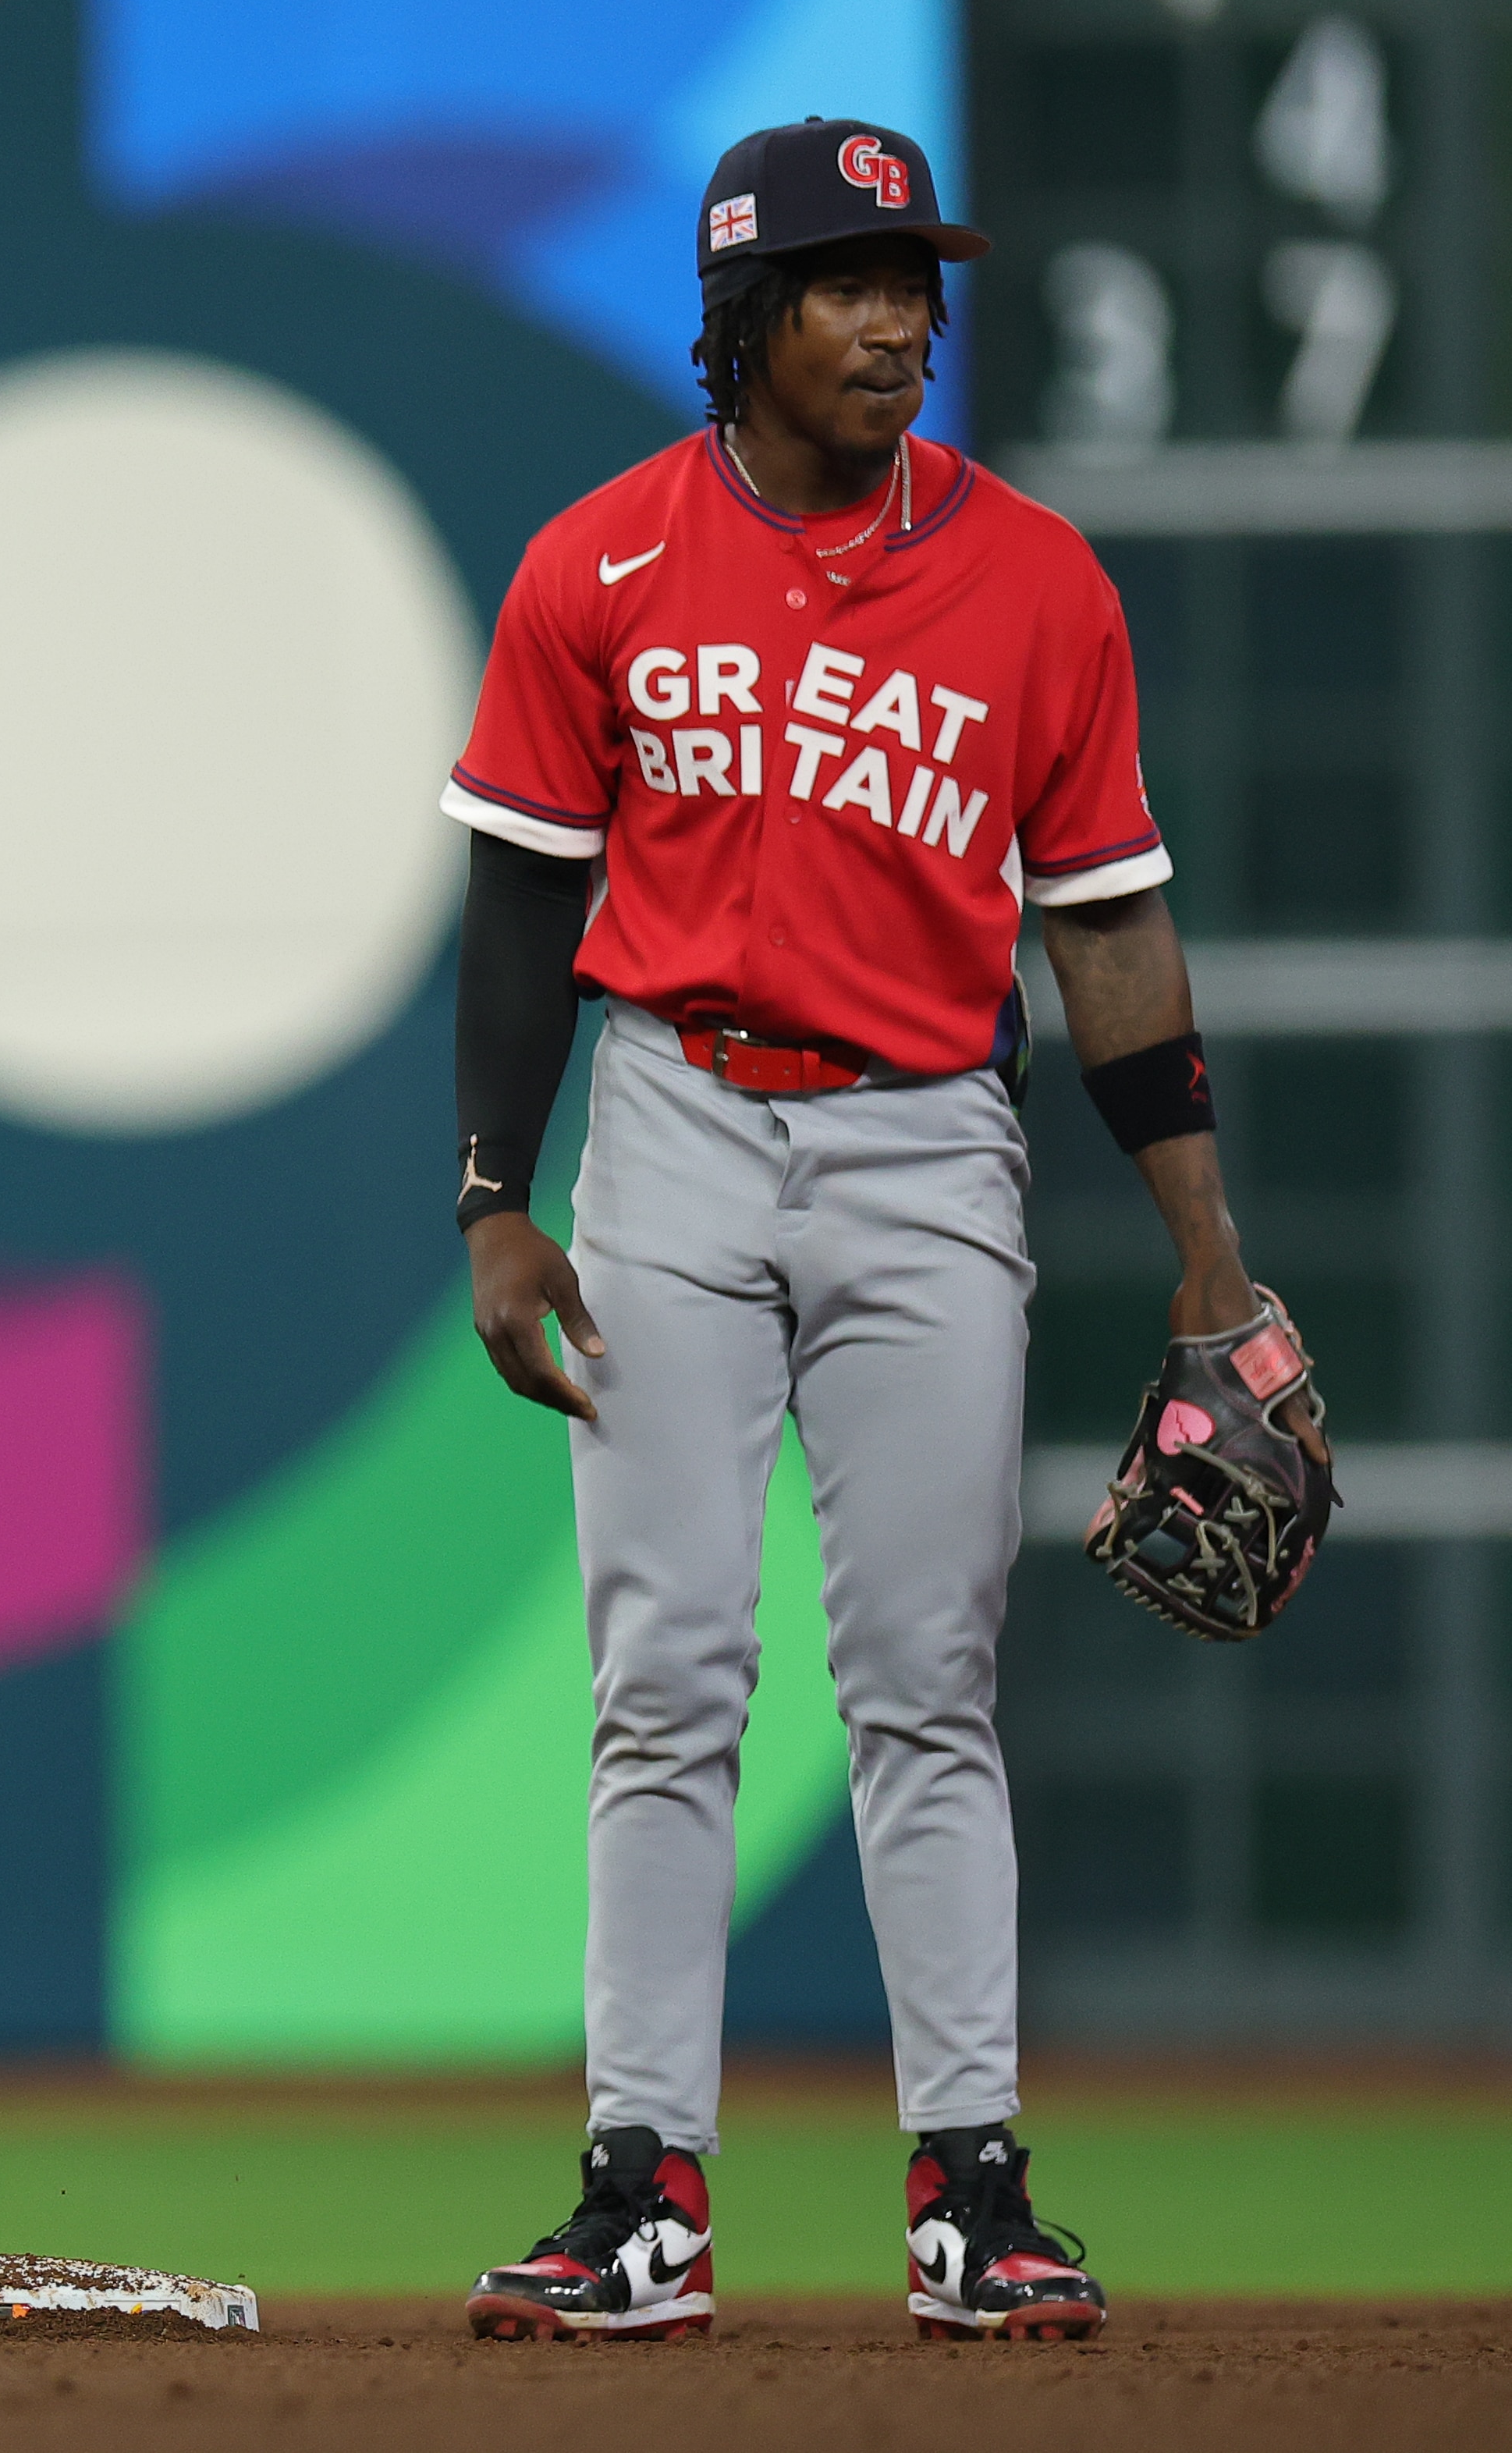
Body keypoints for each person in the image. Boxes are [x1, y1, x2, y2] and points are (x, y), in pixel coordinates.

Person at [440, 116, 1311, 2343]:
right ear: (742, 320)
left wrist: (1207, 1259)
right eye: (847, 282)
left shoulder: (1033, 579)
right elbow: (526, 902)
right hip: (667, 1126)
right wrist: (489, 1197)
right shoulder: (597, 567)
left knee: (926, 1683)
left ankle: (972, 2189)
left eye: (913, 277)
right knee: (666, 1686)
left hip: (929, 1142)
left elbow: (1109, 936)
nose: (899, 317)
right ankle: (638, 2188)